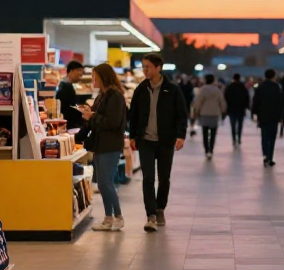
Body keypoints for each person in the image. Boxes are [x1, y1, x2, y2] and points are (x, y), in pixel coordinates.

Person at [128, 53, 188, 232]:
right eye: (143, 67)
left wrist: (180, 135)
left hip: (165, 141)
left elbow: (181, 115)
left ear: (158, 68)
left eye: (148, 67)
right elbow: (134, 115)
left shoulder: (172, 90)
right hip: (145, 141)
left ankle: (160, 208)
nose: (145, 70)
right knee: (147, 178)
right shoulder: (141, 89)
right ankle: (151, 215)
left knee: (164, 178)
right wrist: (132, 136)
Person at [79, 63, 128, 232]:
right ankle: (108, 218)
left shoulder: (114, 96)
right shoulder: (103, 95)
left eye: (95, 76)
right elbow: (98, 117)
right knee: (102, 183)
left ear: (103, 77)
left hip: (110, 145)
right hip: (101, 144)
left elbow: (112, 122)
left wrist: (92, 116)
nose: (93, 80)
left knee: (105, 183)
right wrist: (89, 114)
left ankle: (118, 217)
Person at [251, 69, 284, 167]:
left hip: (263, 115)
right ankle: (270, 157)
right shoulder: (277, 87)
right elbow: (280, 102)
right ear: (274, 76)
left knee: (264, 136)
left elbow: (256, 100)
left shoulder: (261, 87)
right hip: (274, 116)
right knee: (272, 137)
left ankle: (265, 155)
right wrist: (281, 115)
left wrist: (254, 112)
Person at [191, 74, 227, 159]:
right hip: (215, 114)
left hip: (204, 114)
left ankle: (206, 150)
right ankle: (211, 149)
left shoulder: (203, 90)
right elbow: (222, 102)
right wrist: (223, 111)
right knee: (213, 133)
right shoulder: (217, 90)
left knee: (205, 133)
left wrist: (196, 111)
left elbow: (198, 102)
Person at [56, 61, 86, 130]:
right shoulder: (66, 86)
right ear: (71, 71)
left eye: (82, 71)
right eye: (79, 71)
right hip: (69, 124)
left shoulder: (63, 84)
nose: (81, 74)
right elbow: (69, 108)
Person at [224, 73, 250, 146]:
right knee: (240, 124)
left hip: (231, 109)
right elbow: (246, 98)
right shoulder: (243, 88)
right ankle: (239, 137)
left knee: (233, 125)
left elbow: (226, 97)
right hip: (241, 109)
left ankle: (233, 139)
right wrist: (246, 107)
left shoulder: (229, 87)